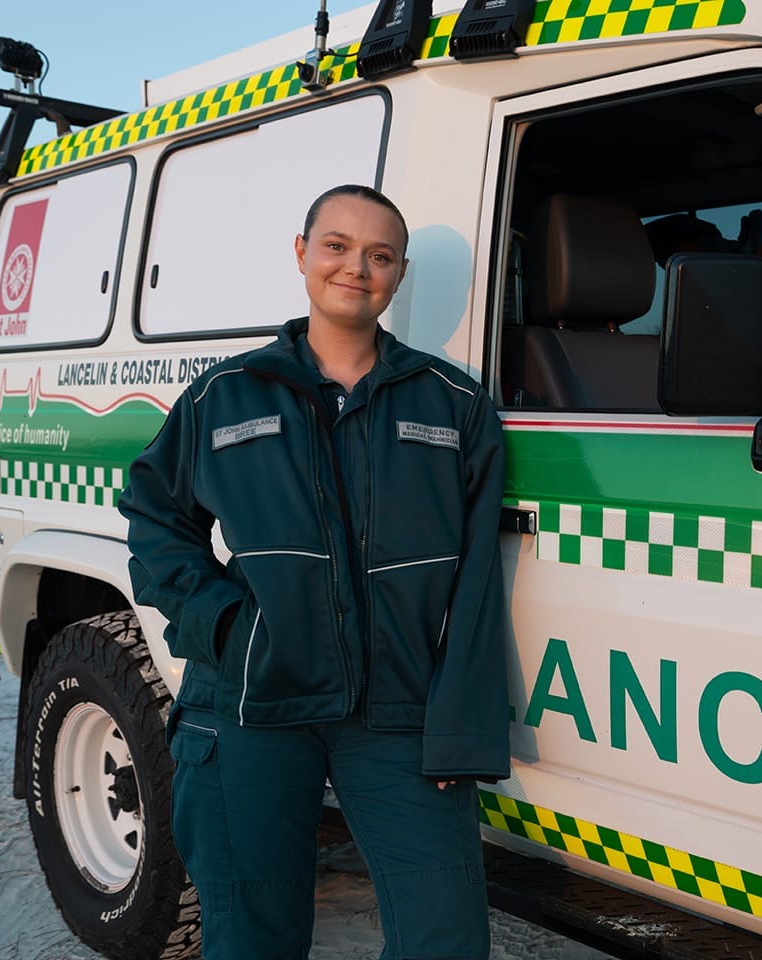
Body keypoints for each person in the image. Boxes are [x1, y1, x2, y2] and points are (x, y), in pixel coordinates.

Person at [119, 184, 509, 959]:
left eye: (379, 255)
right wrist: (227, 626)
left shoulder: (455, 403)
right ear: (302, 255)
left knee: (447, 936)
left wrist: (459, 733)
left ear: (398, 276)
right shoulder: (225, 395)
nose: (355, 268)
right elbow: (155, 518)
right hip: (249, 706)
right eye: (336, 246)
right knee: (251, 939)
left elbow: (477, 589)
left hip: (397, 713)